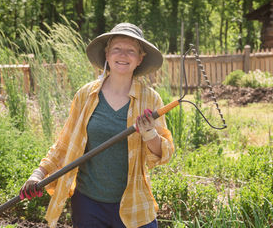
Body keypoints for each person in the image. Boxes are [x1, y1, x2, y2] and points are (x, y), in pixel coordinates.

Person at [20, 23, 174, 228]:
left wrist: (149, 133)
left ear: (140, 58)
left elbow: (164, 153)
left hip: (133, 203)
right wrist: (38, 173)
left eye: (131, 51)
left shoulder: (150, 99)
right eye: (117, 48)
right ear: (107, 54)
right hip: (88, 205)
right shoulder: (86, 95)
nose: (123, 55)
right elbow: (65, 142)